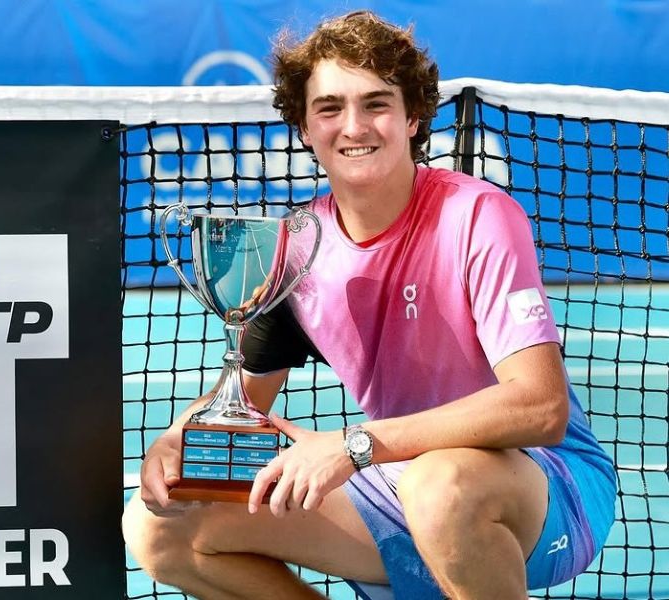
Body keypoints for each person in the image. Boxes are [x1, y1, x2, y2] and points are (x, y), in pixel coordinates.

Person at [122, 10, 616, 600]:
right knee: (158, 528)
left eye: (376, 103)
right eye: (329, 108)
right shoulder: (297, 250)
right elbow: (242, 407)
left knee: (441, 486)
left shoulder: (478, 217)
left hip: (545, 487)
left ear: (412, 118)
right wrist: (177, 441)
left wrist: (354, 445)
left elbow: (540, 408)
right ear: (305, 127)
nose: (353, 126)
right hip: (397, 477)